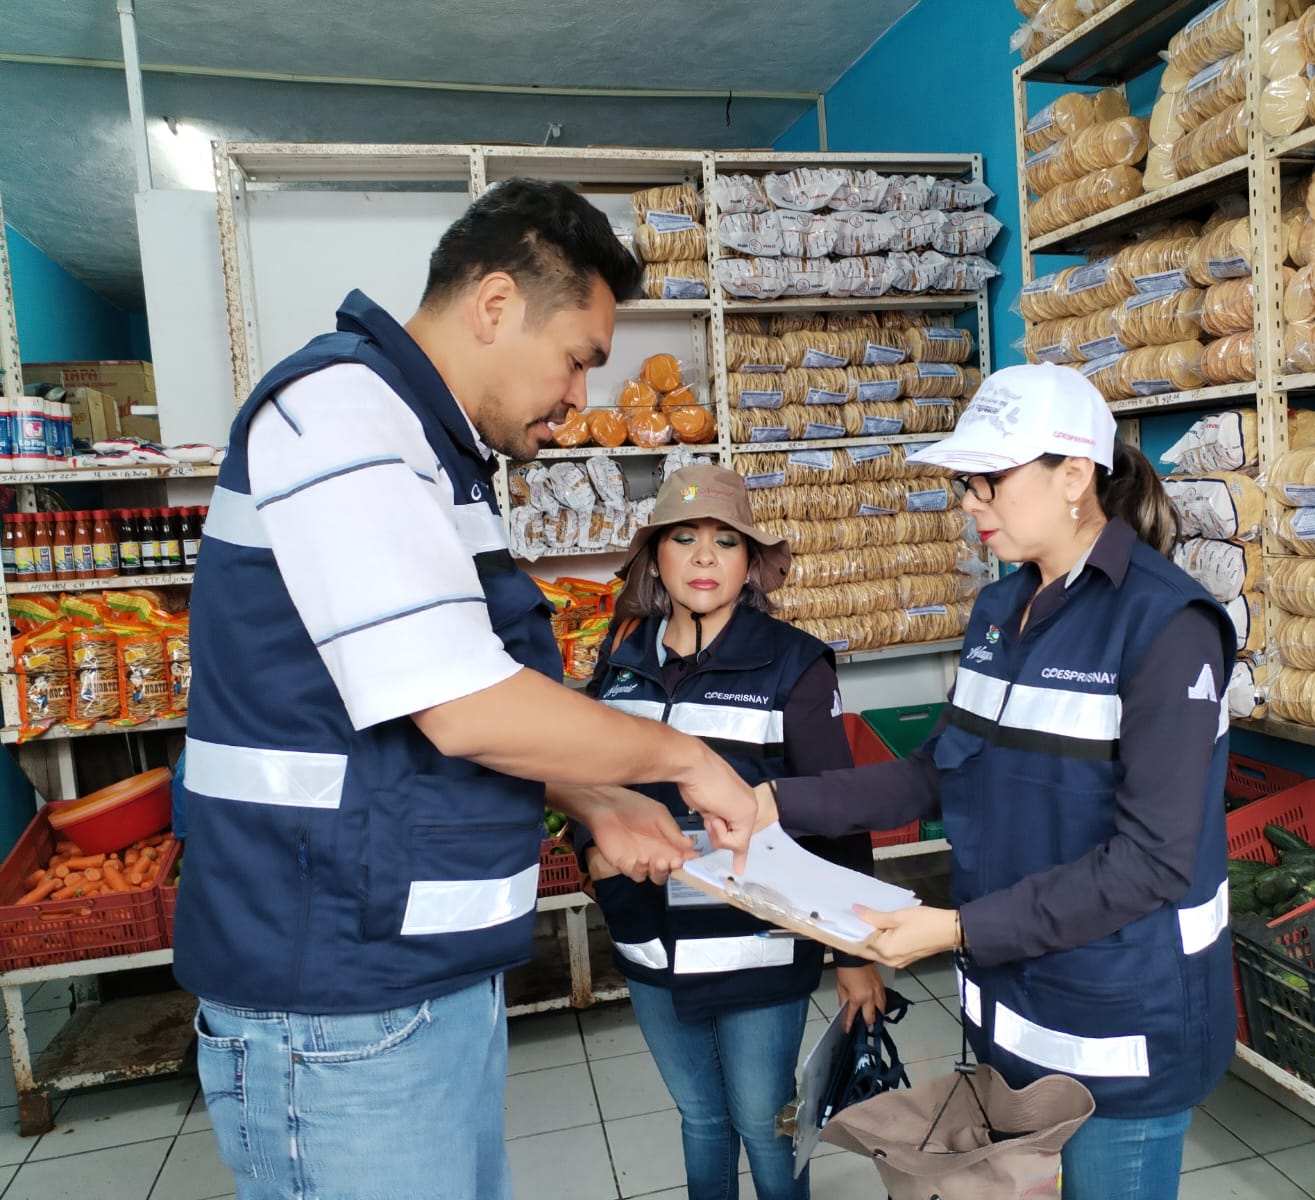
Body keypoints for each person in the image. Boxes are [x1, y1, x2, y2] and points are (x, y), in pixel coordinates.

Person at [176, 180, 759, 1200]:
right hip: (334, 994)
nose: (582, 397)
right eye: (578, 358)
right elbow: (463, 704)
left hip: (408, 971)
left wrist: (601, 799)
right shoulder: (342, 416)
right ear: (494, 306)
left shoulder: (433, 451)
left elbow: (461, 687)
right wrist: (685, 761)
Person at [749, 363, 1235, 1200]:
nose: (969, 499)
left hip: (1121, 1024)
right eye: (964, 480)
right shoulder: (998, 614)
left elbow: (1152, 862)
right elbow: (935, 774)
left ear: (1074, 474)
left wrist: (953, 929)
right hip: (1015, 1001)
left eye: (988, 479)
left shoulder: (1166, 626)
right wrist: (771, 802)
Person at [577, 464, 886, 1200]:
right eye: (683, 539)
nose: (704, 558)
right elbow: (582, 782)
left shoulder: (794, 663)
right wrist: (588, 854)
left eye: (725, 541)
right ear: (656, 556)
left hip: (757, 936)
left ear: (750, 561)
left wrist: (854, 952)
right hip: (649, 933)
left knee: (760, 1116)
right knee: (700, 1116)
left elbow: (836, 809)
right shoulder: (619, 662)